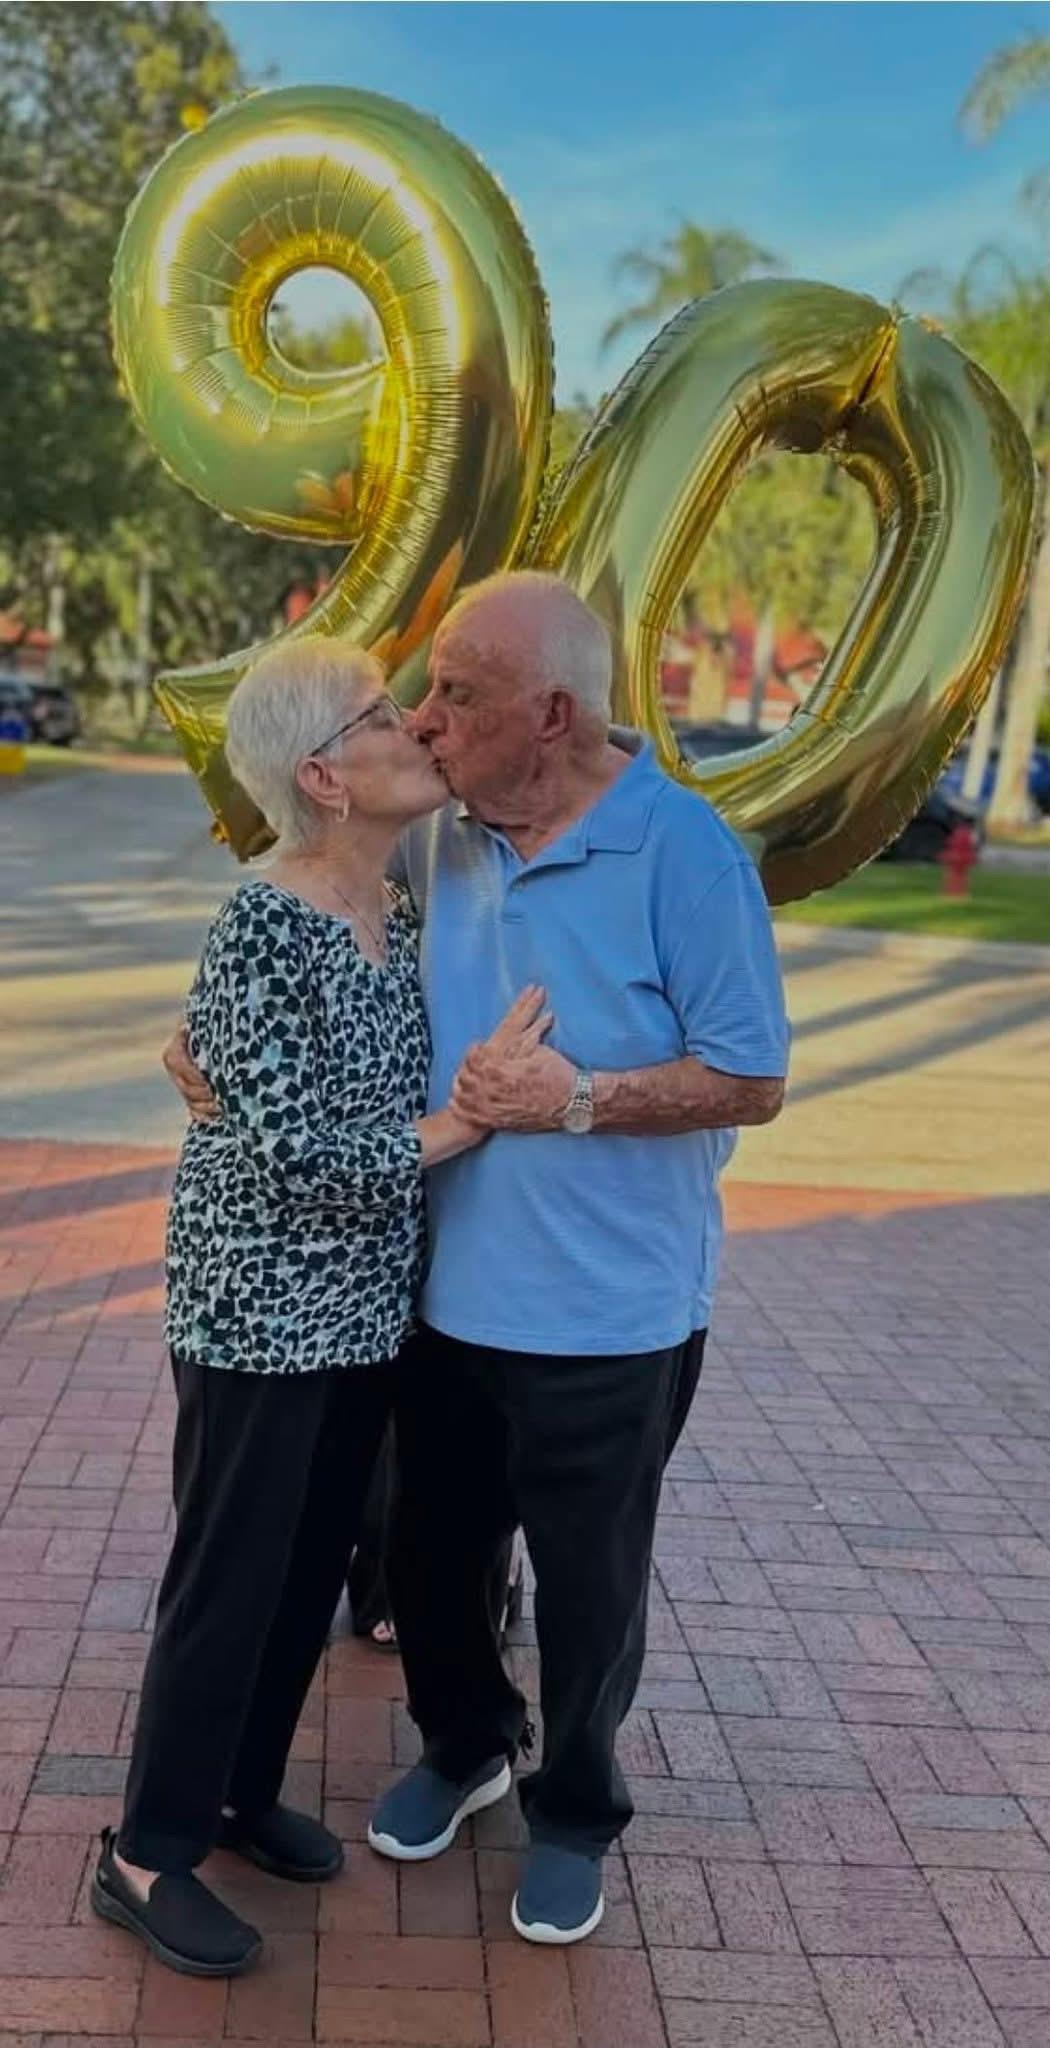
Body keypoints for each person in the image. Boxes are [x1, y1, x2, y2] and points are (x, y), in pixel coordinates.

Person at [167, 571, 789, 1950]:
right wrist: (205, 1042)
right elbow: (303, 919)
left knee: (588, 1588)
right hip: (435, 1301)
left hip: (613, 1312)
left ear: (550, 714)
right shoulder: (438, 836)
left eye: (456, 694)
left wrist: (579, 1098)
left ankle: (574, 1813)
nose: (427, 720)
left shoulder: (686, 853)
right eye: (422, 694)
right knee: (431, 1562)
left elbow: (751, 1077)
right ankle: (466, 1745)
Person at [94, 637, 541, 1980]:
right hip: (256, 1311)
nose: (412, 725)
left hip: (359, 1314)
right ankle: (146, 1853)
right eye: (379, 714)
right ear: (323, 777)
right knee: (229, 1577)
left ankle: (240, 1794)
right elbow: (296, 1151)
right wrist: (464, 1123)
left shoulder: (391, 904)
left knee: (304, 1574)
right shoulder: (265, 922)